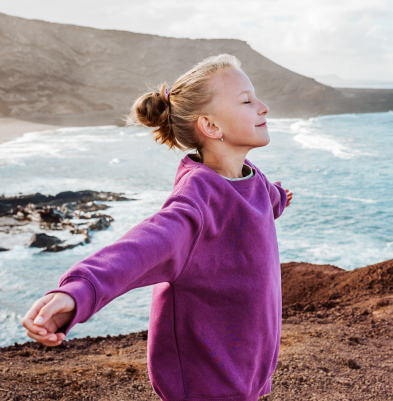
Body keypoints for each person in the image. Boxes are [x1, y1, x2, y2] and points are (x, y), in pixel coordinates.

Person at [21, 53, 293, 401]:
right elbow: (143, 247)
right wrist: (79, 291)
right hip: (203, 386)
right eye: (246, 101)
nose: (263, 106)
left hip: (248, 375)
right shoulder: (197, 201)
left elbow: (260, 202)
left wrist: (280, 199)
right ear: (210, 126)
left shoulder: (252, 179)